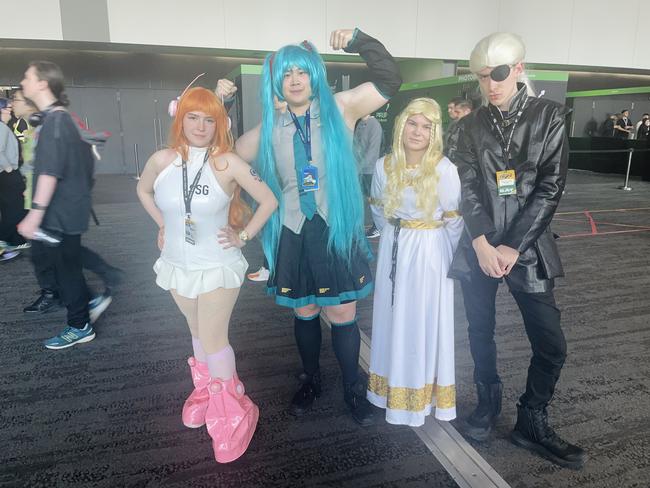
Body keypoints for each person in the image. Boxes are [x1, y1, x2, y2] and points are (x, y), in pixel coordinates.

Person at [219, 28, 401, 426]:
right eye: (287, 75)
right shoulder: (269, 129)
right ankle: (312, 379)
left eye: (302, 71)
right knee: (304, 312)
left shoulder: (341, 108)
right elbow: (221, 158)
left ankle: (353, 386)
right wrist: (222, 105)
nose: (296, 80)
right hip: (293, 230)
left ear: (314, 74)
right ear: (277, 82)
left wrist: (358, 40)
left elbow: (390, 79)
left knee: (342, 313)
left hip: (334, 229)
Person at [448, 33, 587, 469]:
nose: (491, 84)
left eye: (500, 74)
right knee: (478, 333)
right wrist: (483, 243)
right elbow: (466, 187)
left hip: (526, 248)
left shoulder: (549, 117)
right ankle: (488, 404)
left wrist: (511, 245)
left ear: (521, 68)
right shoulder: (468, 126)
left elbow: (550, 186)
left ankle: (531, 418)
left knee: (551, 342)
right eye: (483, 76)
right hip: (480, 247)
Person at [136, 86, 277, 463]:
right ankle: (207, 389)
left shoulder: (227, 163)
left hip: (216, 265)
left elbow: (269, 201)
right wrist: (162, 225)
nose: (200, 126)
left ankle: (233, 409)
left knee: (214, 339)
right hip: (176, 264)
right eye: (193, 117)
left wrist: (244, 235)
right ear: (180, 119)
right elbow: (144, 191)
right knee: (196, 333)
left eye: (209, 119)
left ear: (220, 124)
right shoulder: (161, 159)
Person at [366, 98, 463, 426]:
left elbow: (454, 222)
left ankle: (420, 397)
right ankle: (387, 392)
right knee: (391, 318)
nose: (418, 132)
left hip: (428, 254)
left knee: (422, 321)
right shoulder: (384, 165)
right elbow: (378, 211)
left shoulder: (444, 169)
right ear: (401, 125)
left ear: (435, 132)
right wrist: (396, 238)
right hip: (393, 248)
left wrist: (440, 262)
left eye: (426, 126)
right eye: (412, 123)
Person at [16, 61, 98, 350]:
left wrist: (34, 216)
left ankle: (79, 325)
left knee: (66, 268)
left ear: (42, 83)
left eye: (27, 77)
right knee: (65, 265)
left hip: (60, 213)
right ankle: (85, 309)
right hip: (65, 211)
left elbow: (50, 172)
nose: (22, 82)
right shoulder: (57, 118)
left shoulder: (56, 121)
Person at [0, 99, 27, 260]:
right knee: (18, 209)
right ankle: (4, 241)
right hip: (7, 174)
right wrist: (9, 168)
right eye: (8, 108)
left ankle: (14, 240)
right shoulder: (1, 128)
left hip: (5, 175)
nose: (10, 110)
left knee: (9, 209)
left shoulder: (5, 127)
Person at [354, 114, 384, 239]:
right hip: (359, 169)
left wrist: (359, 167)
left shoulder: (375, 125)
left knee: (373, 199)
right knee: (361, 199)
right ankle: (362, 225)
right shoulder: (359, 124)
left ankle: (376, 226)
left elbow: (373, 151)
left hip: (369, 170)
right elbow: (355, 146)